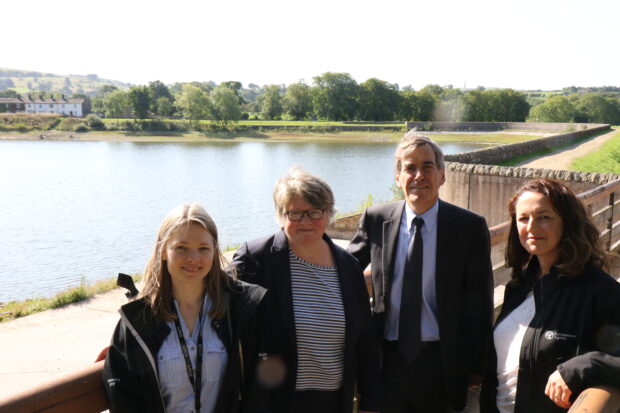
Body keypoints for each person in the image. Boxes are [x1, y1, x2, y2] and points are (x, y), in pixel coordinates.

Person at [348, 131, 494, 413]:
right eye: (409, 168)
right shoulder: (376, 219)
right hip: (386, 360)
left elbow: (480, 301)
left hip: (442, 360)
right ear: (397, 177)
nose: (419, 175)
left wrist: (478, 366)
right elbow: (344, 270)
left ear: (442, 175)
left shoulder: (469, 227)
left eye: (427, 166)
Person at [231, 166, 381, 413]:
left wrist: (370, 401)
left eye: (315, 212)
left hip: (333, 401)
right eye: (296, 213)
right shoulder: (255, 259)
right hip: (272, 401)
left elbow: (364, 340)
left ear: (329, 214)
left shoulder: (348, 267)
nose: (306, 221)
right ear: (281, 215)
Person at [103, 204, 267, 413]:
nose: (193, 258)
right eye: (181, 247)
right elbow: (122, 395)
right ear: (163, 251)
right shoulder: (138, 319)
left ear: (215, 252)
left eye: (203, 248)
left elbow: (259, 389)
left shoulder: (240, 309)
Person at [480, 179, 620, 413]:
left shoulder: (599, 291)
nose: (532, 226)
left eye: (544, 217)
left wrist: (580, 367)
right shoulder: (518, 286)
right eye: (523, 218)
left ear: (567, 222)